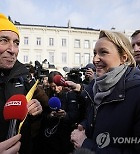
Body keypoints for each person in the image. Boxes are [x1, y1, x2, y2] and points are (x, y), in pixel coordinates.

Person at [67, 30, 140, 153]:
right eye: (95, 53)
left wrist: (87, 145)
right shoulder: (96, 89)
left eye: (103, 52)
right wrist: (85, 126)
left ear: (124, 58)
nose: (95, 59)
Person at [0, 13, 44, 154]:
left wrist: (37, 111)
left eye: (16, 43)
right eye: (4, 40)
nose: (12, 50)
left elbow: (34, 127)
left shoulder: (23, 78)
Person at [33, 71, 80, 154]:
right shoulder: (47, 95)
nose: (56, 89)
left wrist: (65, 115)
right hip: (50, 138)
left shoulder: (70, 94)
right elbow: (43, 115)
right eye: (53, 87)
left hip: (65, 138)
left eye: (58, 86)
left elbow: (75, 115)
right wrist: (50, 116)